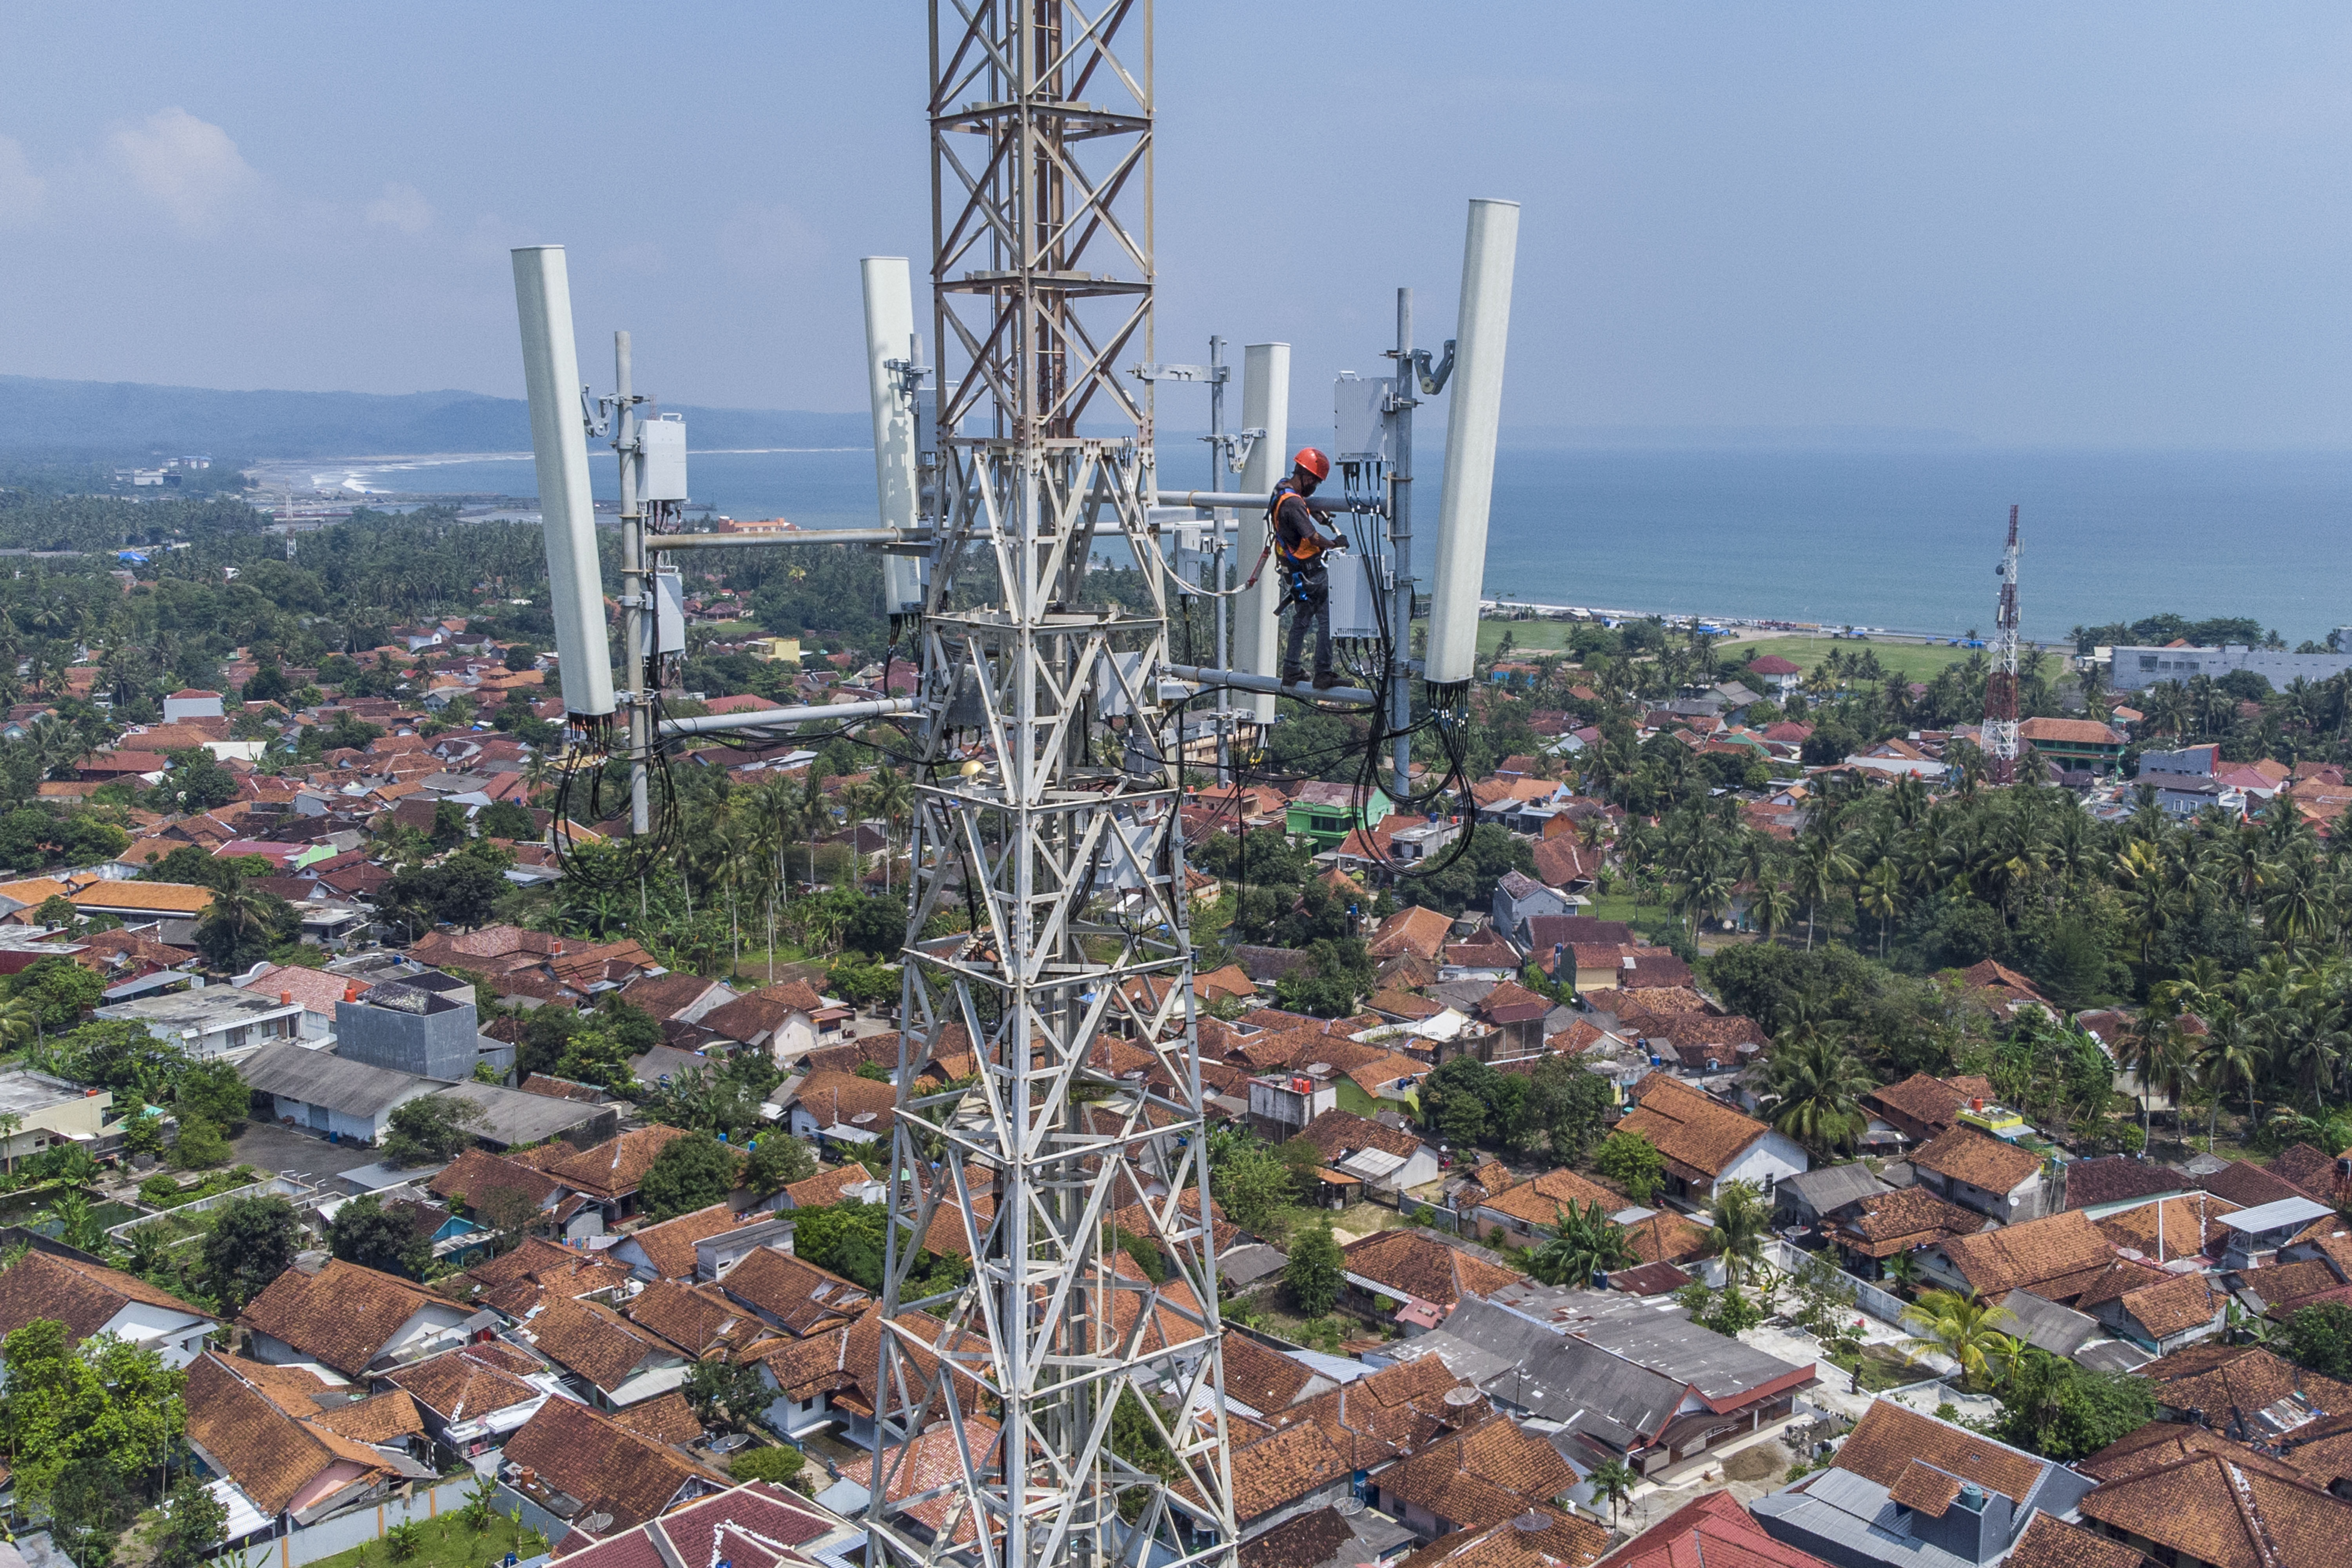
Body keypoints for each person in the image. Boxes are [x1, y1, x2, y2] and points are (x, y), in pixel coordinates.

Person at [1270, 446, 1345, 688]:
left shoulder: (1282, 489)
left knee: (1302, 619)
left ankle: (1291, 669)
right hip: (1310, 572)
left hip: (1295, 571)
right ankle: (1323, 672)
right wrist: (1334, 544)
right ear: (1307, 477)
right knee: (1328, 619)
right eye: (1315, 482)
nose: (1315, 487)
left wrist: (1314, 511)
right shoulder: (1293, 503)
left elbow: (1297, 508)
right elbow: (1312, 538)